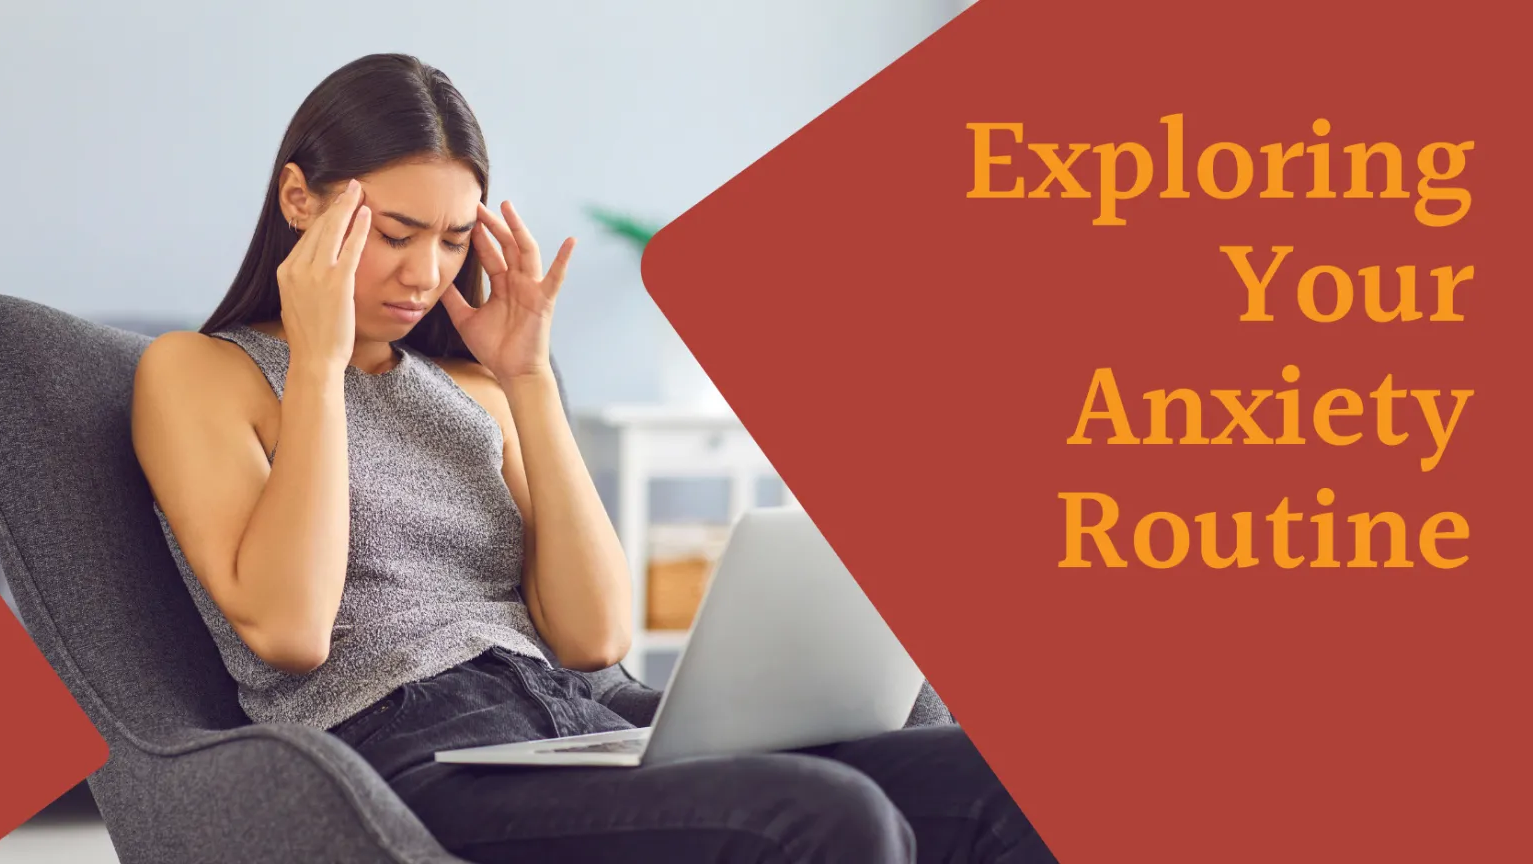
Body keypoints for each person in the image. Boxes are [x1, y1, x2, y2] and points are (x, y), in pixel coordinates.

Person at [130, 52, 1056, 864]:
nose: (425, 275)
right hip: (407, 750)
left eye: (455, 241)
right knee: (826, 817)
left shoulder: (479, 391)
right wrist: (320, 363)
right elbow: (292, 633)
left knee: (1012, 776)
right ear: (301, 200)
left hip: (571, 726)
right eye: (394, 233)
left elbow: (593, 638)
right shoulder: (202, 374)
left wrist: (528, 380)